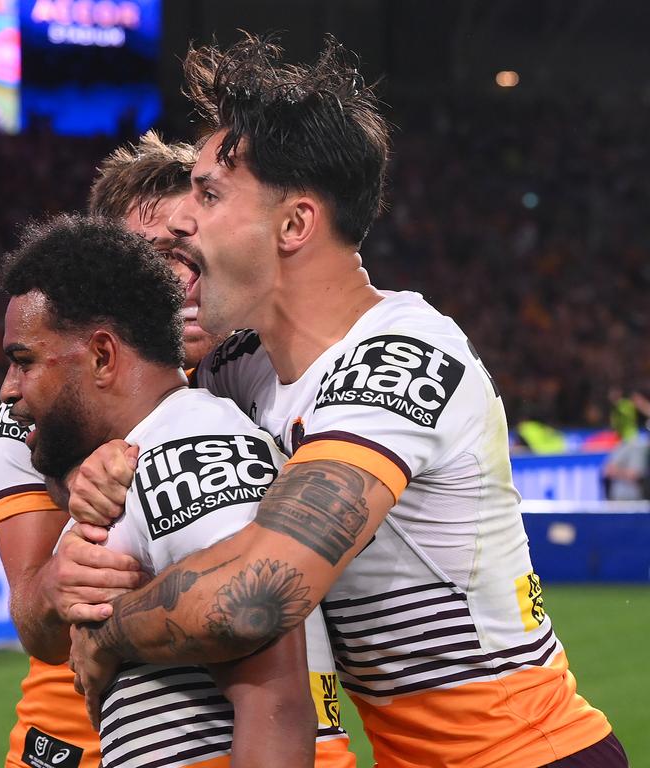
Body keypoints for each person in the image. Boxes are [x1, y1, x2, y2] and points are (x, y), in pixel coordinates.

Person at [66, 35, 627, 768]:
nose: (183, 223)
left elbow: (255, 598)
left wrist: (110, 632)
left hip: (529, 754)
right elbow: (127, 401)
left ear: (295, 225)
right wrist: (104, 464)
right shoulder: (245, 366)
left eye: (209, 195)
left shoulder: (399, 363)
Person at [0, 132, 355, 768]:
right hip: (73, 736)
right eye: (149, 259)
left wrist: (112, 627)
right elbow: (35, 621)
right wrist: (56, 583)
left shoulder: (262, 378)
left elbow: (270, 664)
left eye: (190, 254)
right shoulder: (35, 414)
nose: (176, 282)